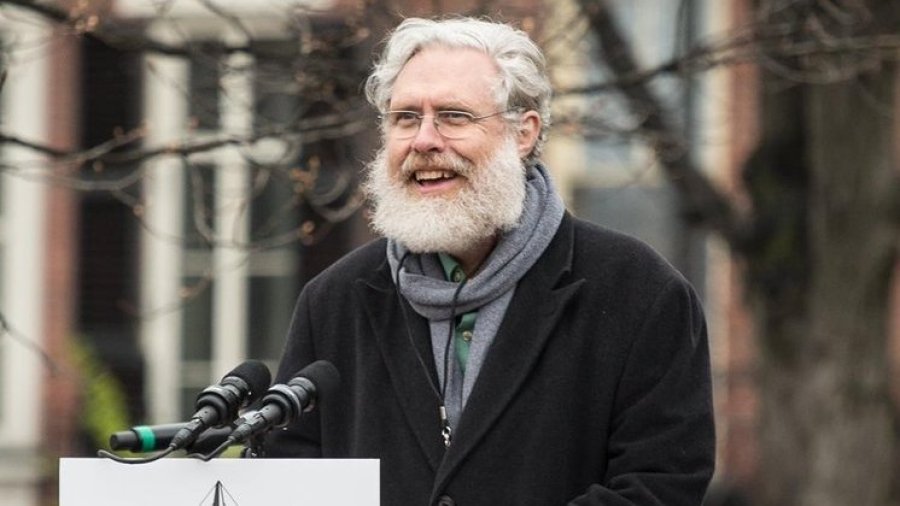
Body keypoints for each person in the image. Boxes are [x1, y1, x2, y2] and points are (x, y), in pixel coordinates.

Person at [264, 16, 715, 506]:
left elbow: (660, 485)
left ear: (524, 133)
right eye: (406, 118)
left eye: (454, 116)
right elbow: (291, 480)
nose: (424, 141)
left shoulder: (639, 293)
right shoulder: (334, 301)